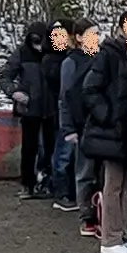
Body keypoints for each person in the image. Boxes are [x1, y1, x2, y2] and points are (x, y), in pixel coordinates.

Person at [75, 12, 127, 253]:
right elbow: (90, 89)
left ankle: (122, 232)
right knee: (112, 185)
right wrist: (109, 115)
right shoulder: (109, 53)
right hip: (113, 131)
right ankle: (109, 238)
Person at [0, 13, 58, 200]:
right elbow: (5, 76)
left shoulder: (54, 54)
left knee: (50, 149)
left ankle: (47, 182)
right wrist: (14, 92)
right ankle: (27, 184)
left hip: (51, 110)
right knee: (29, 149)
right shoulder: (21, 53)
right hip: (29, 109)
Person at [48, 20, 87, 205]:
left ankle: (69, 192)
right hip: (61, 113)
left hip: (71, 113)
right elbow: (65, 93)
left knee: (72, 157)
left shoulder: (74, 59)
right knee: (63, 155)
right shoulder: (64, 61)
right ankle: (61, 192)